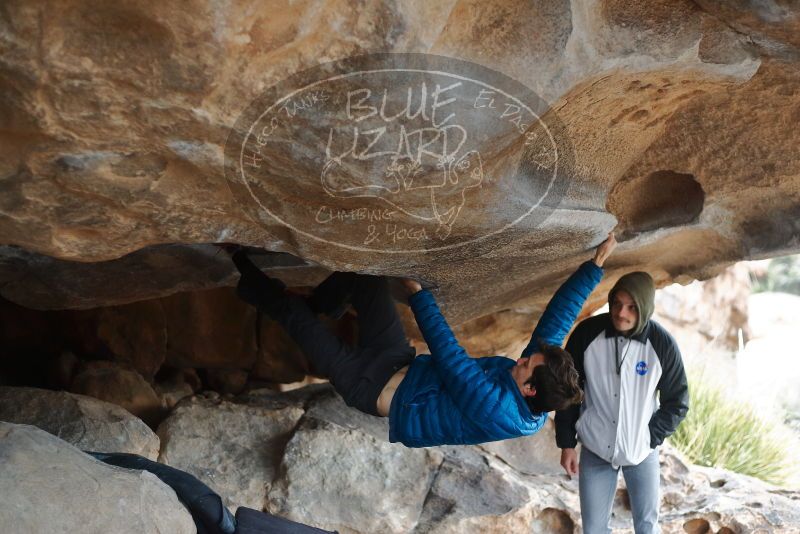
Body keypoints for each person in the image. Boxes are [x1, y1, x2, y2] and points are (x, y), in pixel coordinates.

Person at [228, 234, 617, 447]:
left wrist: (418, 294)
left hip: (367, 387)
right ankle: (324, 304)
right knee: (367, 278)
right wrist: (594, 267)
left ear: (530, 390)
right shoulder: (533, 383)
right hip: (398, 361)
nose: (520, 359)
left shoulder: (498, 410)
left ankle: (235, 261)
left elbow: (451, 359)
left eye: (526, 365)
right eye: (528, 359)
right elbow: (555, 324)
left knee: (295, 319)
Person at [555, 270, 689, 533]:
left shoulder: (662, 345)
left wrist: (649, 436)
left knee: (647, 527)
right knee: (593, 529)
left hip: (641, 451)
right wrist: (567, 444)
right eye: (617, 303)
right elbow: (568, 393)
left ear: (645, 308)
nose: (621, 313)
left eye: (631, 307)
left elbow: (678, 402)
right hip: (595, 447)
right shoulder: (586, 334)